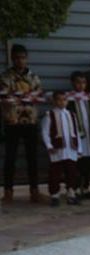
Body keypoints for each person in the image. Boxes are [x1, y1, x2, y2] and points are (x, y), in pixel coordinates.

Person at [1, 44, 42, 204]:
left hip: (30, 120)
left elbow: (38, 94)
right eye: (17, 58)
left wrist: (22, 96)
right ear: (12, 59)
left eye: (23, 58)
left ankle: (35, 191)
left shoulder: (34, 77)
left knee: (32, 157)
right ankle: (8, 191)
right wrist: (24, 96)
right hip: (12, 121)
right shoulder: (5, 77)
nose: (20, 61)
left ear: (27, 58)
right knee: (10, 157)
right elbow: (5, 96)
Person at [40, 90, 81, 207]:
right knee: (55, 173)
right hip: (57, 149)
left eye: (64, 99)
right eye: (59, 99)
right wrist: (49, 146)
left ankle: (71, 193)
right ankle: (55, 195)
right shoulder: (50, 115)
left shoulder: (72, 115)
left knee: (72, 172)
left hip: (71, 149)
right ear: (54, 101)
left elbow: (77, 132)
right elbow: (45, 132)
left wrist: (79, 148)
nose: (62, 102)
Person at [67, 71, 90, 198]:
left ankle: (86, 187)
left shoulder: (89, 98)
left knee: (88, 161)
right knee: (78, 162)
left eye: (84, 82)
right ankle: (76, 187)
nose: (81, 85)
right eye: (78, 82)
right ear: (73, 83)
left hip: (89, 135)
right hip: (77, 135)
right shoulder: (69, 99)